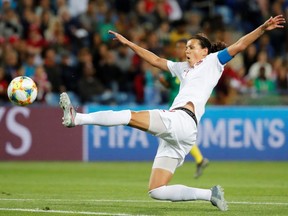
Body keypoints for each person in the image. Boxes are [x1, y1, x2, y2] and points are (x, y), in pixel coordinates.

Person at [59, 15, 285, 211]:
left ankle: (76, 118)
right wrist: (129, 43)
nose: (186, 50)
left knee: (129, 116)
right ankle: (210, 194)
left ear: (204, 51)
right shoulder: (182, 68)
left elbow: (241, 44)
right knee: (157, 190)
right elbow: (155, 60)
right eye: (186, 46)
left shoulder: (214, 62)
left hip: (182, 120)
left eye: (191, 46)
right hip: (183, 133)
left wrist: (263, 28)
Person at [159, 39, 209, 178]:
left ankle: (193, 160)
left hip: (188, 107)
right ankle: (199, 159)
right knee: (176, 134)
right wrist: (163, 82)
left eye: (184, 47)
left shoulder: (198, 66)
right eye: (179, 47)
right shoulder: (176, 66)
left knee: (176, 134)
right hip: (174, 104)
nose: (182, 50)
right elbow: (168, 85)